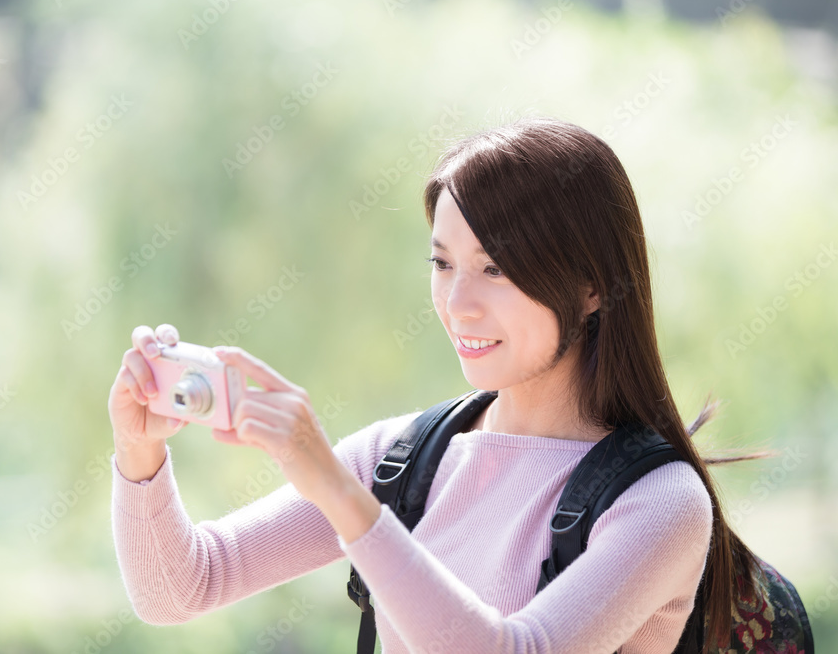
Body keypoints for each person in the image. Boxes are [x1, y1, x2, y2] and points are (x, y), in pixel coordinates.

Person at [107, 116, 766, 653]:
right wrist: (140, 457)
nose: (458, 303)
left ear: (593, 286)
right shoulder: (405, 458)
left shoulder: (661, 501)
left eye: (497, 269)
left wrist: (339, 494)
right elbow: (180, 588)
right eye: (443, 263)